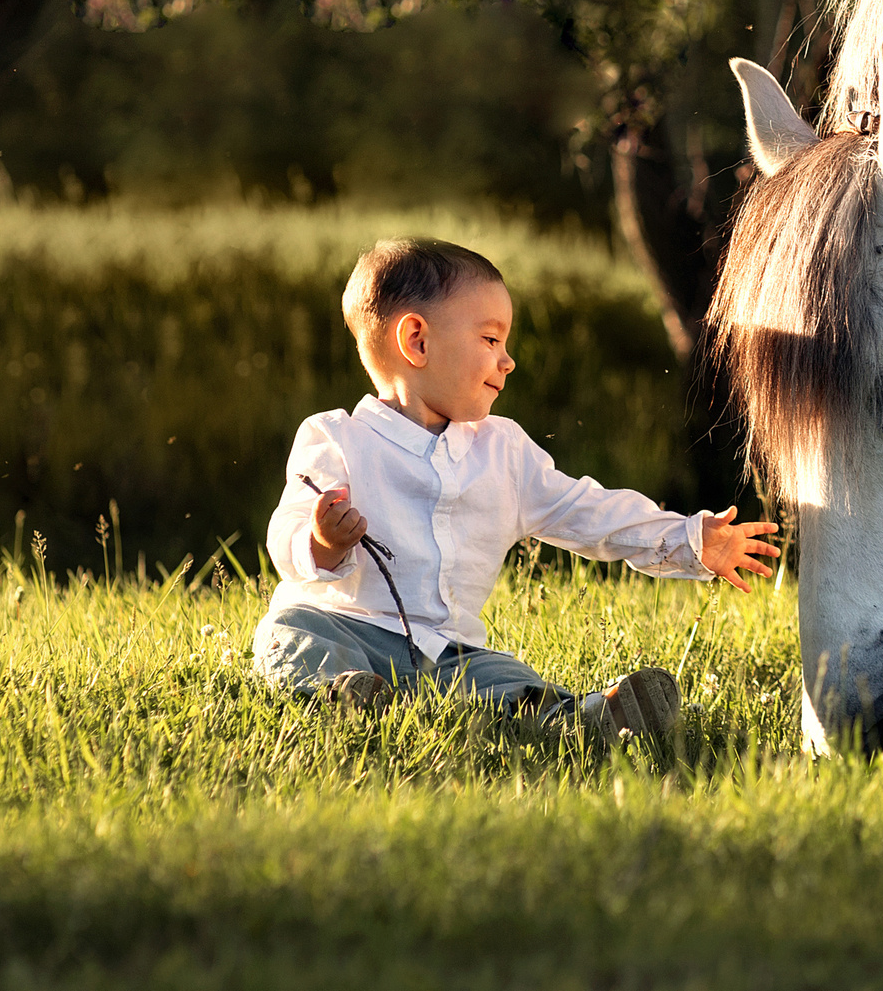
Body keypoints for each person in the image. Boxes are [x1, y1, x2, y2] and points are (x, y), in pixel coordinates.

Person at [253, 236, 780, 737]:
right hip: (350, 632)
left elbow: (589, 512)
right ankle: (344, 694)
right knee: (293, 633)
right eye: (490, 339)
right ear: (417, 340)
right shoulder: (336, 438)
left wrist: (689, 540)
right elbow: (290, 529)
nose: (508, 360)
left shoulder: (503, 452)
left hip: (450, 653)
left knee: (508, 680)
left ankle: (580, 720)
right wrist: (320, 543)